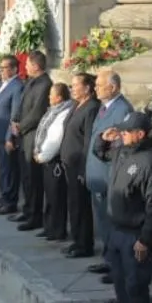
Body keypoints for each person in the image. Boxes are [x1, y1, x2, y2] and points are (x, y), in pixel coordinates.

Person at [93, 111, 152, 303]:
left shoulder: (149, 162)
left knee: (135, 287)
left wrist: (146, 239)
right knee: (119, 283)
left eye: (127, 131)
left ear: (141, 134)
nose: (122, 134)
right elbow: (100, 153)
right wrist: (103, 138)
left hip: (135, 236)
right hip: (116, 230)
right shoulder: (121, 152)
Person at [86, 70, 133, 281]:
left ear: (112, 87)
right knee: (104, 222)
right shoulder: (105, 108)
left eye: (99, 84)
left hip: (109, 175)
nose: (95, 88)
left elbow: (120, 143)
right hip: (97, 175)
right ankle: (108, 260)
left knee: (113, 223)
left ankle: (117, 267)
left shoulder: (123, 109)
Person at [11, 51, 52, 232]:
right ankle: (27, 209)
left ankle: (35, 215)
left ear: (36, 66)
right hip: (23, 134)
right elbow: (22, 105)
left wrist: (22, 126)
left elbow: (37, 112)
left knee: (33, 178)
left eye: (27, 64)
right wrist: (15, 121)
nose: (25, 67)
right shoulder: (30, 82)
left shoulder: (45, 84)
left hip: (33, 135)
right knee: (26, 177)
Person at [60, 72, 99, 258]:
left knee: (81, 205)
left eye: (75, 85)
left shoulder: (91, 107)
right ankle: (76, 240)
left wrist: (84, 167)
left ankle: (84, 244)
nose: (72, 88)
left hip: (79, 164)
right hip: (69, 162)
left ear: (87, 88)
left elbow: (88, 139)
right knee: (73, 203)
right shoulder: (76, 105)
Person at [33, 81, 73, 242]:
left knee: (56, 197)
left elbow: (55, 137)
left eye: (52, 95)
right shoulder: (54, 110)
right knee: (49, 196)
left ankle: (57, 230)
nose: (49, 97)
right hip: (44, 157)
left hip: (53, 160)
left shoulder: (63, 112)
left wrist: (43, 155)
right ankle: (48, 226)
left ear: (59, 97)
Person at [0, 55, 23, 216]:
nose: (1, 71)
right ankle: (3, 198)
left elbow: (15, 114)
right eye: (0, 67)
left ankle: (10, 201)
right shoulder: (3, 85)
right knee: (2, 168)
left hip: (6, 136)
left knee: (9, 170)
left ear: (14, 69)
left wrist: (11, 137)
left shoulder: (17, 86)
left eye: (4, 68)